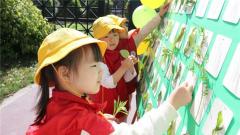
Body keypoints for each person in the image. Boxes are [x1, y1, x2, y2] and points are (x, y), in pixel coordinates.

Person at [26, 28, 193, 135]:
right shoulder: (81, 121)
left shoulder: (57, 105)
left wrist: (96, 119)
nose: (101, 70)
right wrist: (172, 104)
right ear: (65, 74)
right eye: (93, 65)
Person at [90, 2, 171, 121]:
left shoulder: (123, 47)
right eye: (106, 36)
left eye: (115, 35)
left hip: (121, 100)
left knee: (121, 125)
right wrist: (124, 67)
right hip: (104, 105)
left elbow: (143, 32)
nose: (112, 40)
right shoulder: (97, 56)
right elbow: (108, 82)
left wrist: (159, 15)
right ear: (98, 38)